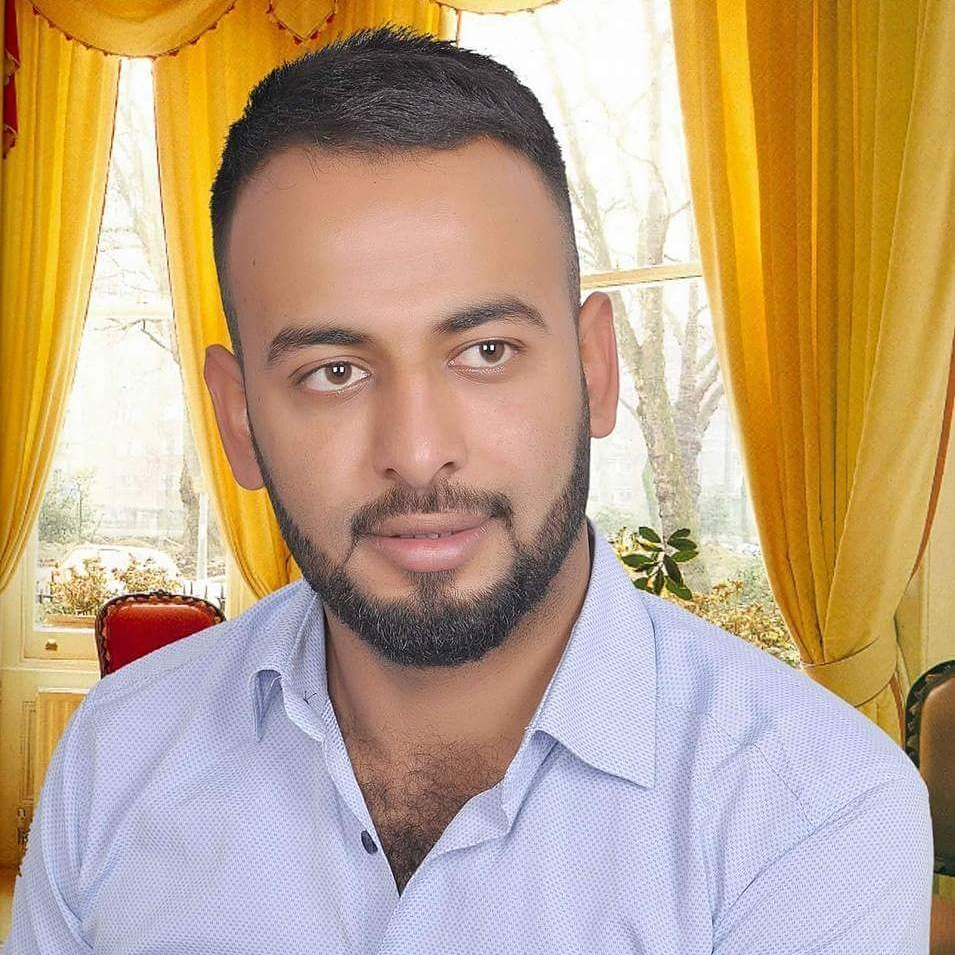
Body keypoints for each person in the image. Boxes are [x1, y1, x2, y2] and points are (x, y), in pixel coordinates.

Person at [4, 24, 933, 955]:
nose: (416, 453)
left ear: (595, 369)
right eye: (334, 371)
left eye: (486, 351)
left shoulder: (813, 811)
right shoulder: (116, 755)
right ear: (239, 420)